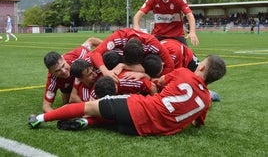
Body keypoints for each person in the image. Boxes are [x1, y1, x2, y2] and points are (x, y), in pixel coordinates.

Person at [29, 55, 226, 136]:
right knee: (114, 120)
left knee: (91, 106)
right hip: (145, 131)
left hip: (139, 108)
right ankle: (87, 123)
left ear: (200, 66)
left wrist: (146, 78)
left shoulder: (184, 73)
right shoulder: (207, 101)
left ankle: (39, 119)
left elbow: (158, 81)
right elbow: (197, 123)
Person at [133, 0, 199, 46]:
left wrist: (192, 32)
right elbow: (137, 16)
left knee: (188, 57)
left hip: (177, 36)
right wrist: (136, 29)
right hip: (158, 35)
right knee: (147, 54)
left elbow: (190, 16)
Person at [89, 27, 175, 81]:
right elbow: (96, 53)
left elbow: (170, 65)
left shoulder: (152, 43)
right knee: (109, 56)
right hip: (116, 63)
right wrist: (106, 72)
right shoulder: (119, 36)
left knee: (154, 64)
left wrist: (150, 78)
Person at [41, 37, 102, 113]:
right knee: (67, 102)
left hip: (82, 81)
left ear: (63, 59)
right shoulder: (52, 79)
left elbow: (91, 40)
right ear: (51, 72)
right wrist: (59, 117)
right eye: (57, 71)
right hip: (68, 86)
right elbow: (46, 106)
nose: (63, 71)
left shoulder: (78, 56)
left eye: (63, 66)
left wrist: (109, 47)